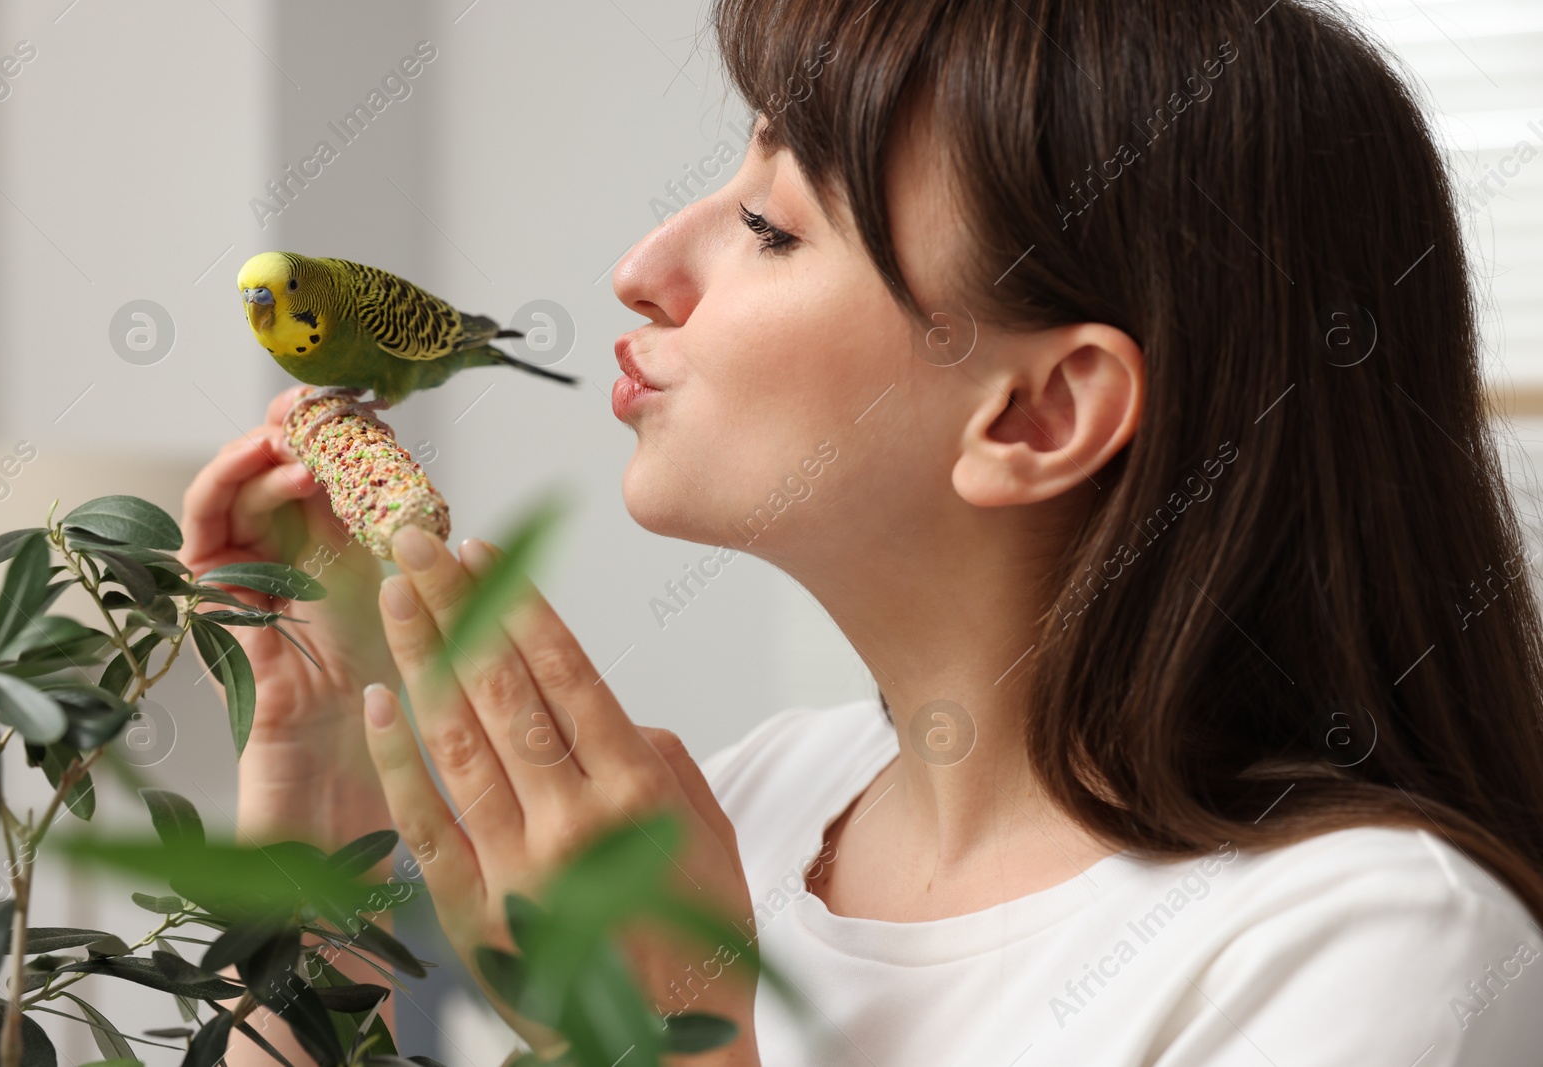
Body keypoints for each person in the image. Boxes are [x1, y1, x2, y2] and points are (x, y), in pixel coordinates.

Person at [183, 0, 1543, 1063]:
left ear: (1034, 416)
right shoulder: (757, 805)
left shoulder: (1374, 952)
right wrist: (316, 851)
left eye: (771, 226)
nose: (644, 269)